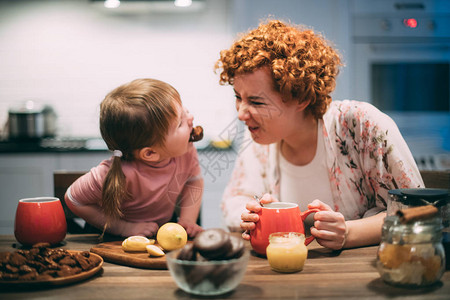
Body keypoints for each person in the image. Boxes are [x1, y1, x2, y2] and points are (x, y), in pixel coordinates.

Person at [215, 20, 424, 250]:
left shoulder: (362, 126)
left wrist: (349, 233)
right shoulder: (258, 136)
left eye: (256, 101)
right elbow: (234, 201)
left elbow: (419, 210)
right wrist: (254, 213)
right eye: (238, 97)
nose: (242, 113)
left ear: (302, 98)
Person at [64, 78, 204, 238]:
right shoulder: (119, 172)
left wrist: (187, 219)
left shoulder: (186, 151)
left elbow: (193, 180)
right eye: (180, 123)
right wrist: (124, 228)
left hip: (160, 233)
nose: (191, 117)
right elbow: (73, 199)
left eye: (184, 110)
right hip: (113, 239)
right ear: (150, 153)